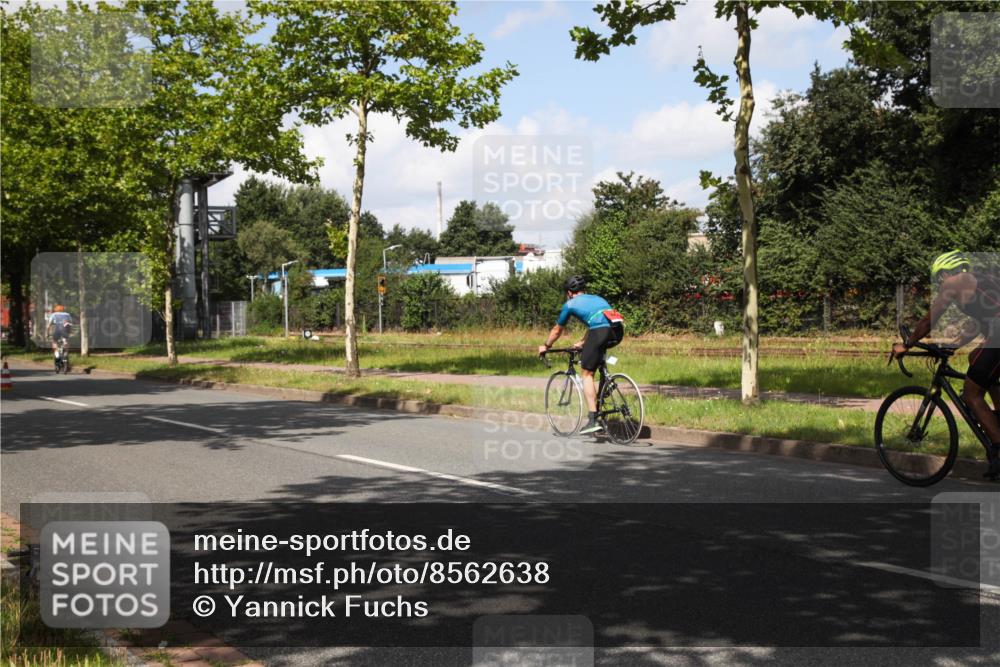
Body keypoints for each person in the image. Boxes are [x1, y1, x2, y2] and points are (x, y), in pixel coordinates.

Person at [892, 251, 1000, 479]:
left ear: (945, 272)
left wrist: (907, 344)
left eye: (939, 277)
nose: (941, 283)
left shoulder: (954, 283)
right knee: (976, 361)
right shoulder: (978, 280)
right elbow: (979, 323)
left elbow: (929, 320)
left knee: (971, 394)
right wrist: (955, 345)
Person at [539, 276, 623, 434]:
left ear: (570, 292)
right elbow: (598, 321)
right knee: (597, 358)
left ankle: (593, 419)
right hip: (617, 330)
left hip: (599, 331)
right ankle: (605, 385)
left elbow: (557, 330)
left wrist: (546, 346)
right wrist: (583, 342)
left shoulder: (570, 304)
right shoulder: (597, 298)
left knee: (587, 373)